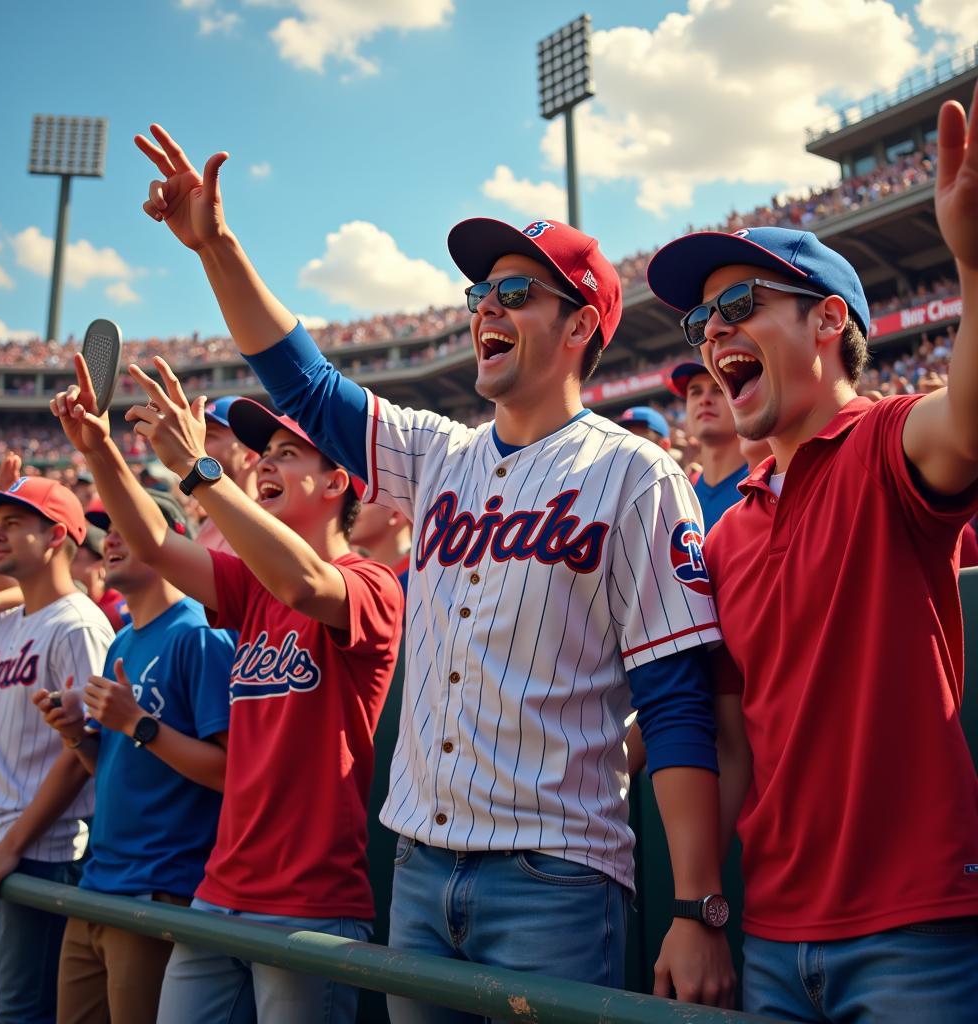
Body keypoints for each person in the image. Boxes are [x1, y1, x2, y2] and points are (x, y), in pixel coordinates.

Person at [134, 123, 735, 1012]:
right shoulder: (440, 454)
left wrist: (696, 905)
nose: (485, 308)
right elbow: (302, 383)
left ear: (580, 326)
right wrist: (216, 246)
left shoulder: (636, 474)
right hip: (418, 869)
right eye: (479, 293)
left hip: (556, 879)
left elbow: (678, 699)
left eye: (516, 291)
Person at [645, 82, 978, 1023]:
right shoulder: (729, 530)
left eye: (738, 303)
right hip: (773, 938)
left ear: (829, 322)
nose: (713, 335)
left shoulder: (887, 442)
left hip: (914, 931)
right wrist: (702, 907)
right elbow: (732, 739)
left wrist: (973, 266)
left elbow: (970, 422)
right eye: (701, 322)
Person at [50, 365, 403, 1024]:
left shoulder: (372, 582)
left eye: (287, 452)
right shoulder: (251, 587)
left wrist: (197, 469)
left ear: (336, 482)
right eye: (262, 454)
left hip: (308, 904)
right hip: (220, 890)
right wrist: (97, 449)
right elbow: (155, 542)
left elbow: (304, 584)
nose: (266, 463)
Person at [32, 491, 234, 1024]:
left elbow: (231, 773)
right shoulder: (121, 640)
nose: (111, 538)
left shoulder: (202, 633)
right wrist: (78, 736)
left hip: (159, 889)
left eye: (128, 525)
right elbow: (120, 768)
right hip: (99, 885)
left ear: (176, 542)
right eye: (107, 528)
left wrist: (138, 724)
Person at [0, 476, 115, 1023]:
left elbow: (84, 753)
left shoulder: (79, 624)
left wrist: (11, 847)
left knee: (20, 1014)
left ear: (55, 537)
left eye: (13, 524)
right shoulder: (6, 619)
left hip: (37, 854)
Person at [668, 362, 747, 531]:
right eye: (695, 393)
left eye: (718, 389)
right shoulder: (680, 497)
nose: (704, 400)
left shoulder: (765, 487)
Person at [196, 395, 259, 554]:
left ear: (249, 455)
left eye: (209, 436)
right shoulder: (211, 520)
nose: (196, 445)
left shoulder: (273, 523)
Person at [350, 502, 412, 592]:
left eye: (365, 500)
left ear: (396, 513)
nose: (352, 508)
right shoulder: (354, 574)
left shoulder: (419, 576)